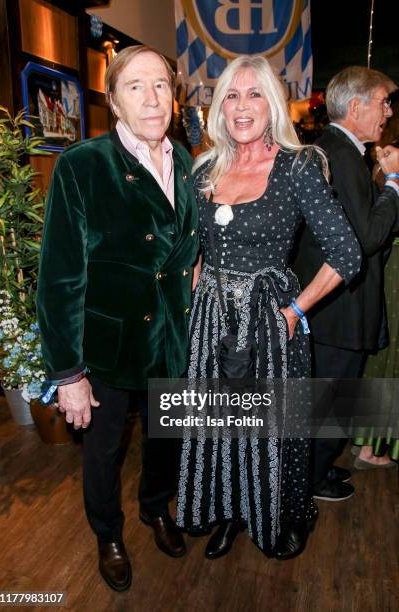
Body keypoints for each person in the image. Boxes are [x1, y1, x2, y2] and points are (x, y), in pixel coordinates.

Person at [175, 55, 362, 561]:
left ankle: (288, 515)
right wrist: (196, 295)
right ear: (220, 107)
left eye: (254, 94)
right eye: (231, 95)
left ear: (272, 103)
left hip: (269, 322)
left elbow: (347, 255)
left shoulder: (298, 166)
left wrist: (292, 314)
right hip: (213, 321)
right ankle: (231, 514)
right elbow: (194, 248)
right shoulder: (205, 168)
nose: (241, 106)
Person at [36, 45, 199, 592]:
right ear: (114, 101)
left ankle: (157, 508)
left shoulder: (186, 158)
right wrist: (69, 374)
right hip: (107, 349)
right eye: (136, 86)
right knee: (103, 454)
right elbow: (59, 278)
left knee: (165, 440)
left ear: (173, 97)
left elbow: (185, 251)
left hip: (173, 340)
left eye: (160, 85)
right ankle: (107, 532)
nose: (152, 98)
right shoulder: (83, 165)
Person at [294, 67, 399, 500]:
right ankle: (306, 485)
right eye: (383, 102)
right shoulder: (339, 155)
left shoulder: (341, 151)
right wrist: (394, 182)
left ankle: (316, 474)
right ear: (356, 107)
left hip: (335, 309)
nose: (388, 111)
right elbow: (368, 238)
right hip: (337, 312)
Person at [352, 88, 399, 467]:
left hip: (387, 268)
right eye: (382, 104)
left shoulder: (382, 161)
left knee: (383, 356)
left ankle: (365, 439)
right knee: (389, 357)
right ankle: (370, 445)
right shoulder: (390, 163)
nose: (385, 111)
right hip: (393, 269)